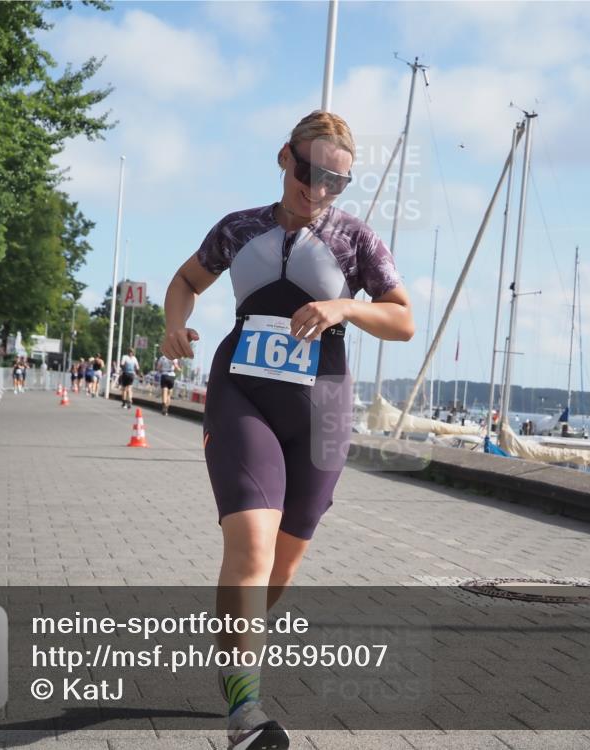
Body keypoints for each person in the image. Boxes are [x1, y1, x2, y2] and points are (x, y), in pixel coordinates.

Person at [161, 111, 413, 750]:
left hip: (323, 412)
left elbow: (402, 320)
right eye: (309, 172)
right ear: (285, 158)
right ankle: (245, 711)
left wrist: (345, 305)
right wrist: (173, 323)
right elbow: (187, 281)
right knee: (250, 545)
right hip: (242, 389)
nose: (319, 190)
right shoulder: (239, 228)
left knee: (279, 569)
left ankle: (228, 644)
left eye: (336, 181)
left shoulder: (355, 240)